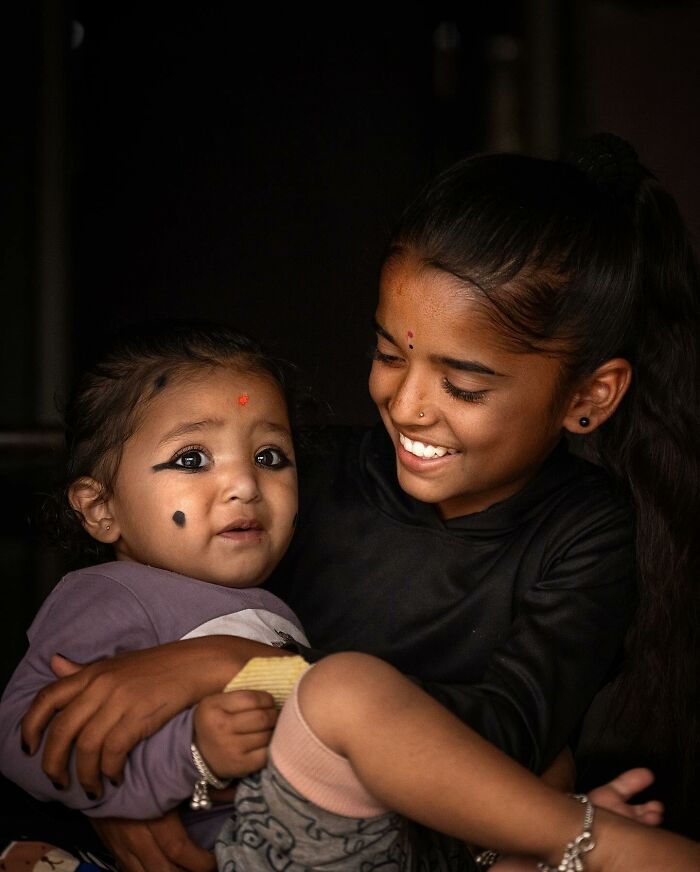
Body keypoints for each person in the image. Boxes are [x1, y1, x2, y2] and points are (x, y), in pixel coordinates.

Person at [11, 132, 700, 869]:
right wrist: (121, 799)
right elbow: (86, 695)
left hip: (413, 833)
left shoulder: (583, 531)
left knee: (550, 768)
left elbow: (511, 736)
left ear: (589, 397)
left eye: (463, 386)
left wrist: (236, 663)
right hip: (262, 825)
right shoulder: (294, 481)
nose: (406, 405)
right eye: (389, 355)